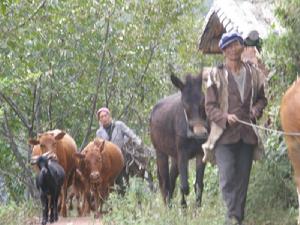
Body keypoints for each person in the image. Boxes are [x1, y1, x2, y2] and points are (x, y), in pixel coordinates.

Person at [203, 31, 267, 225]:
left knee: (242, 179)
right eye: (228, 46)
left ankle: (236, 218)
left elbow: (262, 99)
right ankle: (233, 217)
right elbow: (210, 107)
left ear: (242, 46)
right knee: (228, 177)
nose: (233, 49)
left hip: (247, 135)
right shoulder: (216, 75)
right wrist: (224, 116)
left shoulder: (254, 73)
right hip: (224, 137)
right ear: (223, 51)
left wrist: (256, 109)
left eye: (236, 44)